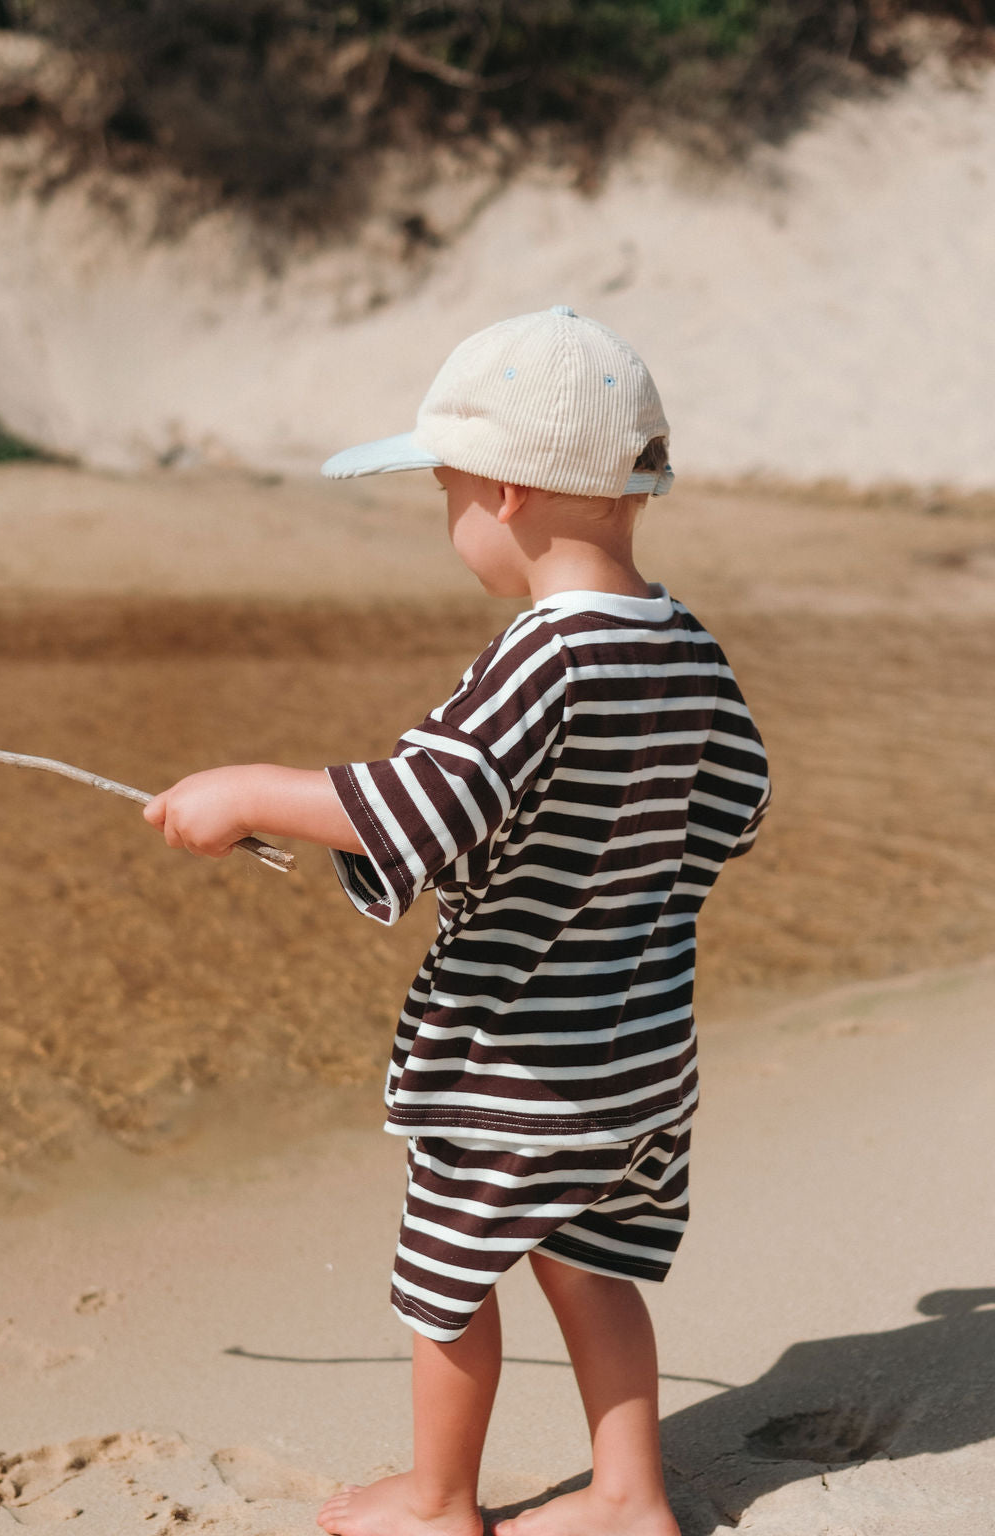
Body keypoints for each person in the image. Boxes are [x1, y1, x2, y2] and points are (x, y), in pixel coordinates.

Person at [143, 305, 770, 1536]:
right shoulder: (685, 645)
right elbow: (735, 807)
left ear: (506, 491)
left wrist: (247, 791)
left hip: (514, 1073)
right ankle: (628, 1495)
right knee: (590, 1267)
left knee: (445, 1286)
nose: (448, 517)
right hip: (642, 1055)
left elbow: (420, 804)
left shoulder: (540, 656)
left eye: (445, 489)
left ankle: (436, 1504)